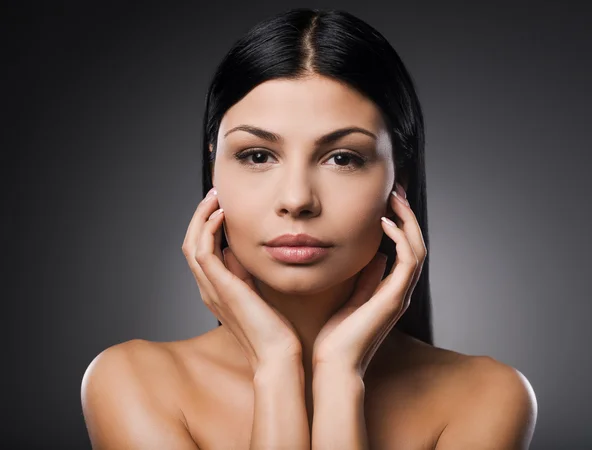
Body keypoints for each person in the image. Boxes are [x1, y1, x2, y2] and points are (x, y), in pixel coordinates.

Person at [81, 8, 537, 449]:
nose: (297, 199)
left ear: (398, 178)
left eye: (343, 158)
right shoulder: (131, 382)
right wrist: (276, 367)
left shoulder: (486, 396)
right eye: (257, 155)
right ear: (214, 167)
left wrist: (340, 375)